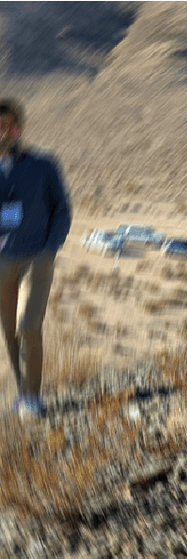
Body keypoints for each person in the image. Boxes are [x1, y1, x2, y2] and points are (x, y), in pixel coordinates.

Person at [0, 98, 72, 417]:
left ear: (18, 129)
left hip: (36, 260)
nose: (2, 132)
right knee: (10, 331)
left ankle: (32, 398)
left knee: (29, 324)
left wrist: (49, 249)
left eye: (7, 126)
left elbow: (63, 210)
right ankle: (22, 393)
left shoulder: (44, 165)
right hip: (3, 262)